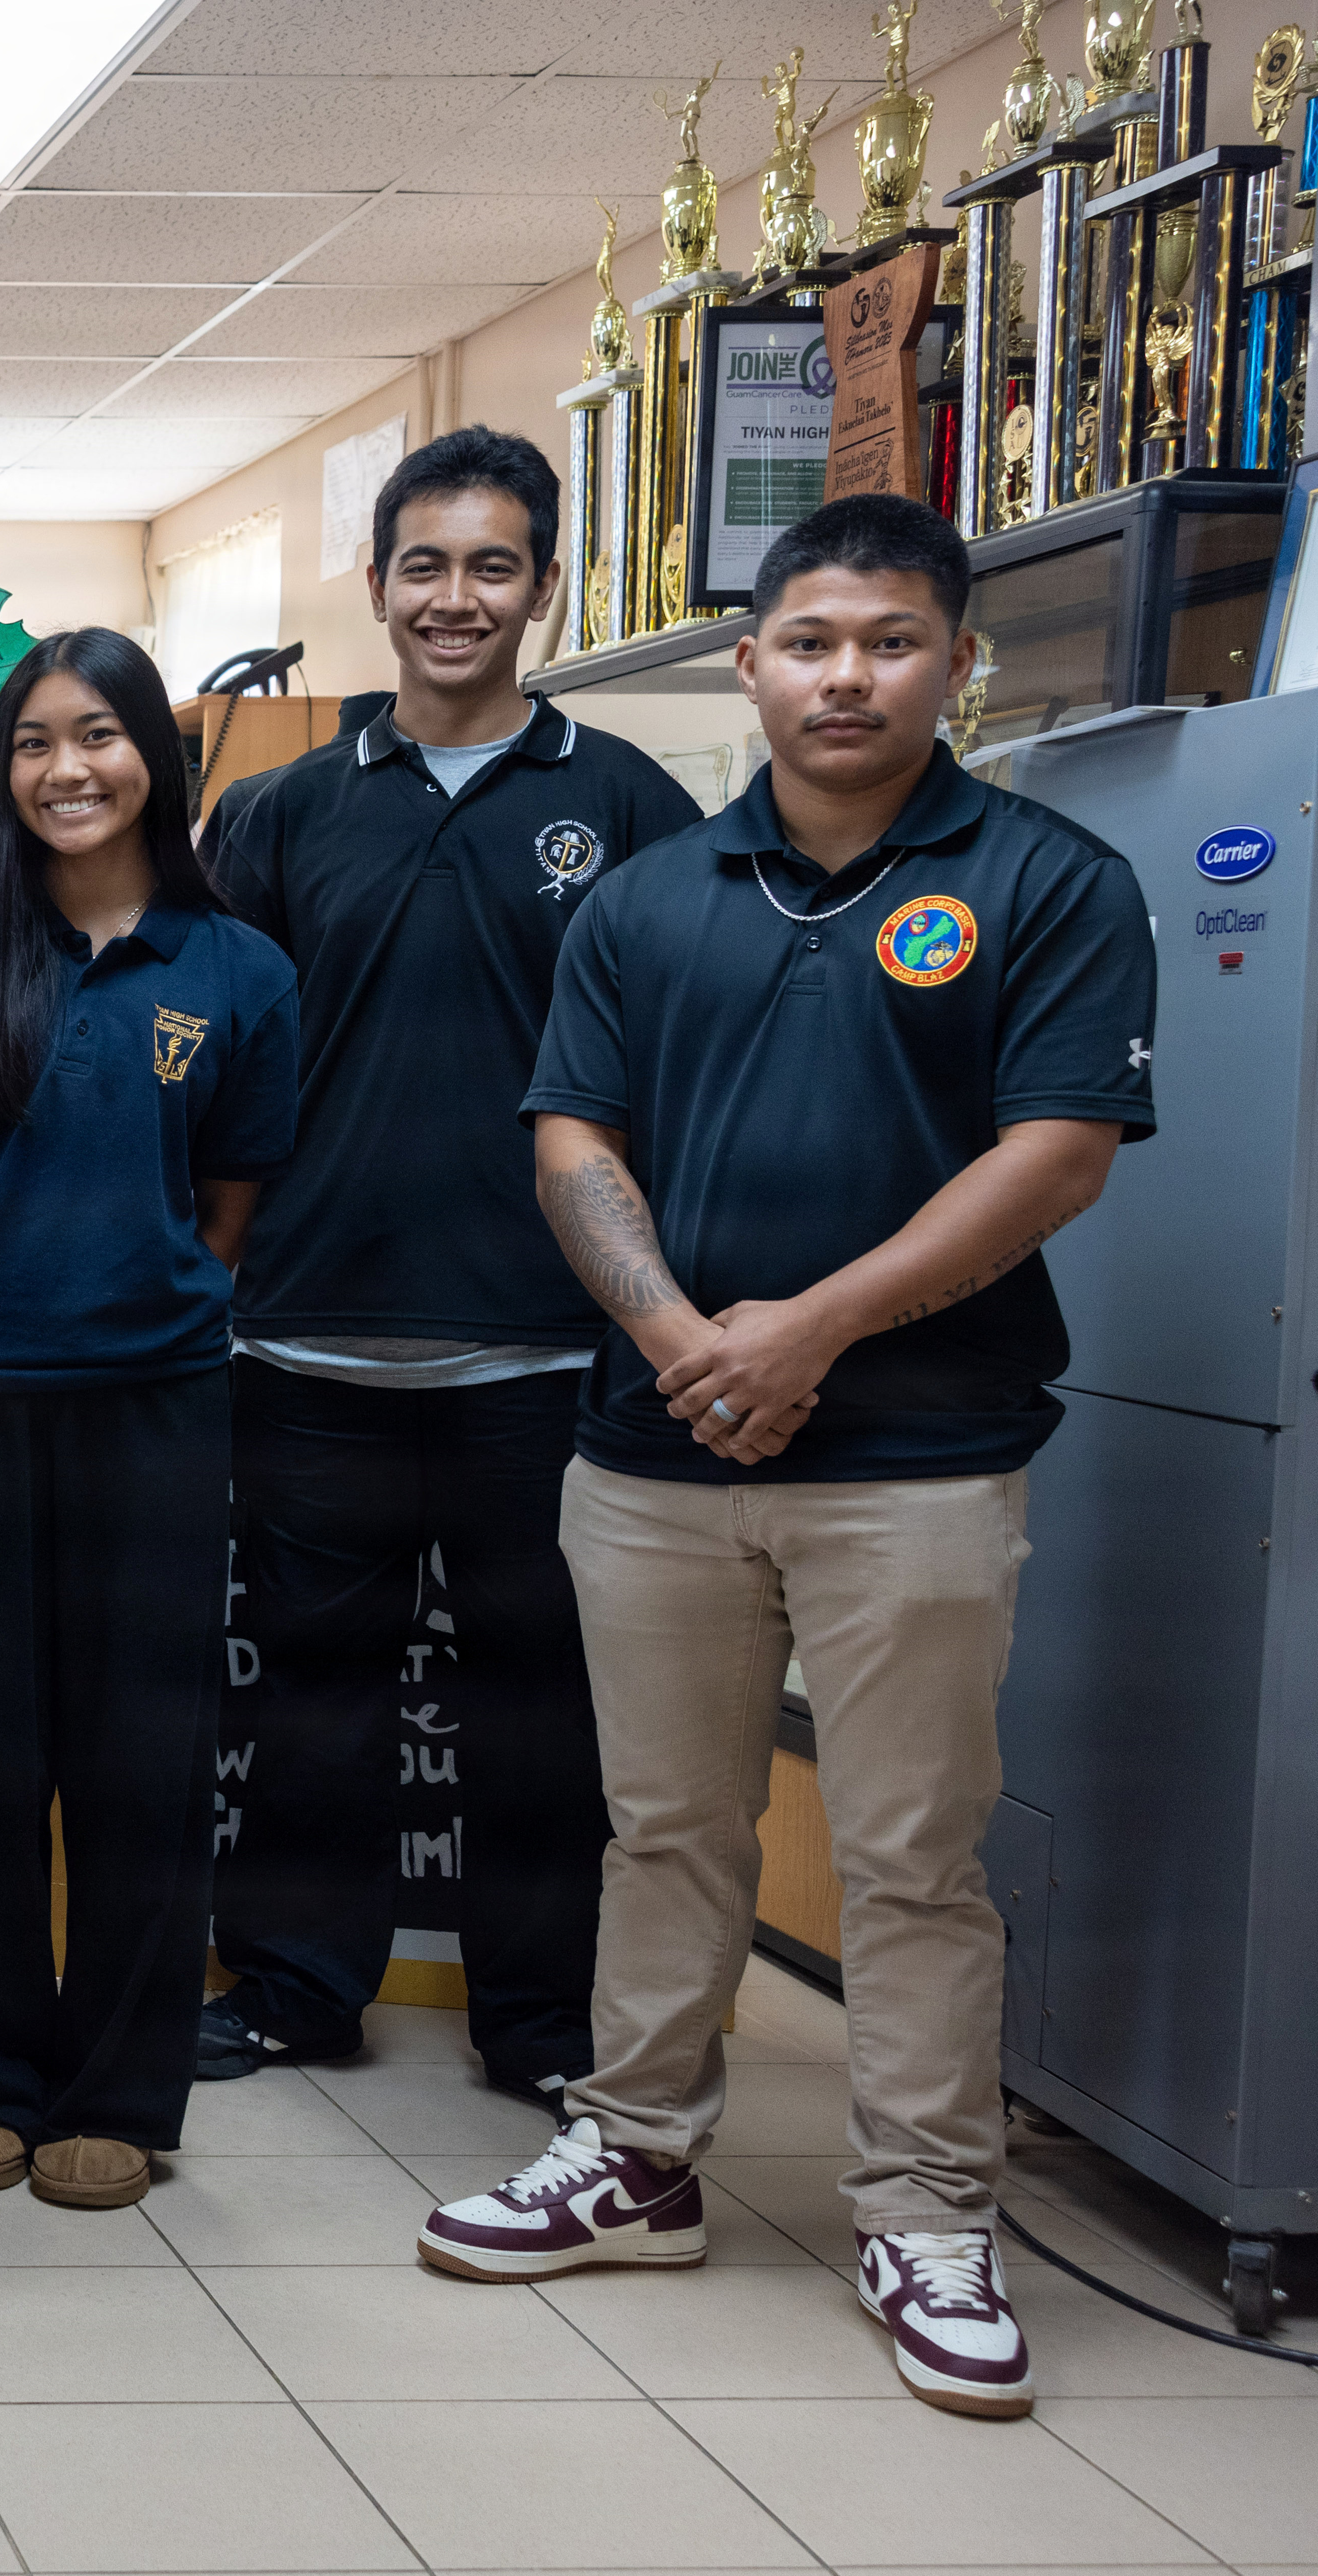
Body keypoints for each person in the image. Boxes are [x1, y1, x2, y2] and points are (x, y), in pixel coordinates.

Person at [416, 495, 1152, 2423]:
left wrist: (804, 1329)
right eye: (808, 638)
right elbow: (570, 1134)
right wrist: (678, 1338)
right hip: (651, 1452)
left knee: (908, 1854)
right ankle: (636, 2151)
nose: (845, 674)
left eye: (889, 640)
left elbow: (1051, 1153)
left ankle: (924, 2209)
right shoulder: (645, 899)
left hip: (915, 1458)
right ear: (745, 661)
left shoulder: (1048, 877)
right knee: (663, 1827)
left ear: (950, 665)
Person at [196, 427, 705, 2109]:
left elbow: (671, 1075)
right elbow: (205, 1069)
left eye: (492, 565)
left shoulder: (626, 806)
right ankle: (292, 1987)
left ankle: (541, 2023)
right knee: (309, 1706)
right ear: (375, 583)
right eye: (423, 563)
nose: (454, 597)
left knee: (541, 1713)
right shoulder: (271, 814)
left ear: (541, 587)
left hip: (546, 1358)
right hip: (305, 1343)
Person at [0, 628, 298, 2213]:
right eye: (32, 741)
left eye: (97, 736)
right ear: (2, 771)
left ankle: (118, 2086)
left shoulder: (237, 970)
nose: (65, 769)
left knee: (141, 1755)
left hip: (161, 1401)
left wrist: (157, 1292)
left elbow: (233, 1193)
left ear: (152, 761)